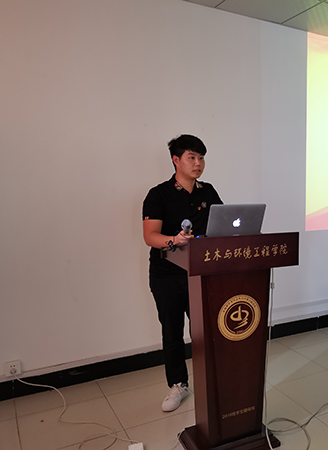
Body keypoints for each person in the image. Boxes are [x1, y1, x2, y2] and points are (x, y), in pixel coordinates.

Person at [142, 134, 222, 411]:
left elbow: (221, 224)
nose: (198, 163)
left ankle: (211, 378)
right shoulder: (158, 194)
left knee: (205, 329)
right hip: (167, 273)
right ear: (176, 160)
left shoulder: (208, 192)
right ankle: (179, 385)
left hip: (200, 271)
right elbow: (150, 236)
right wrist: (174, 240)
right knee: (173, 330)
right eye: (192, 157)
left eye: (201, 158)